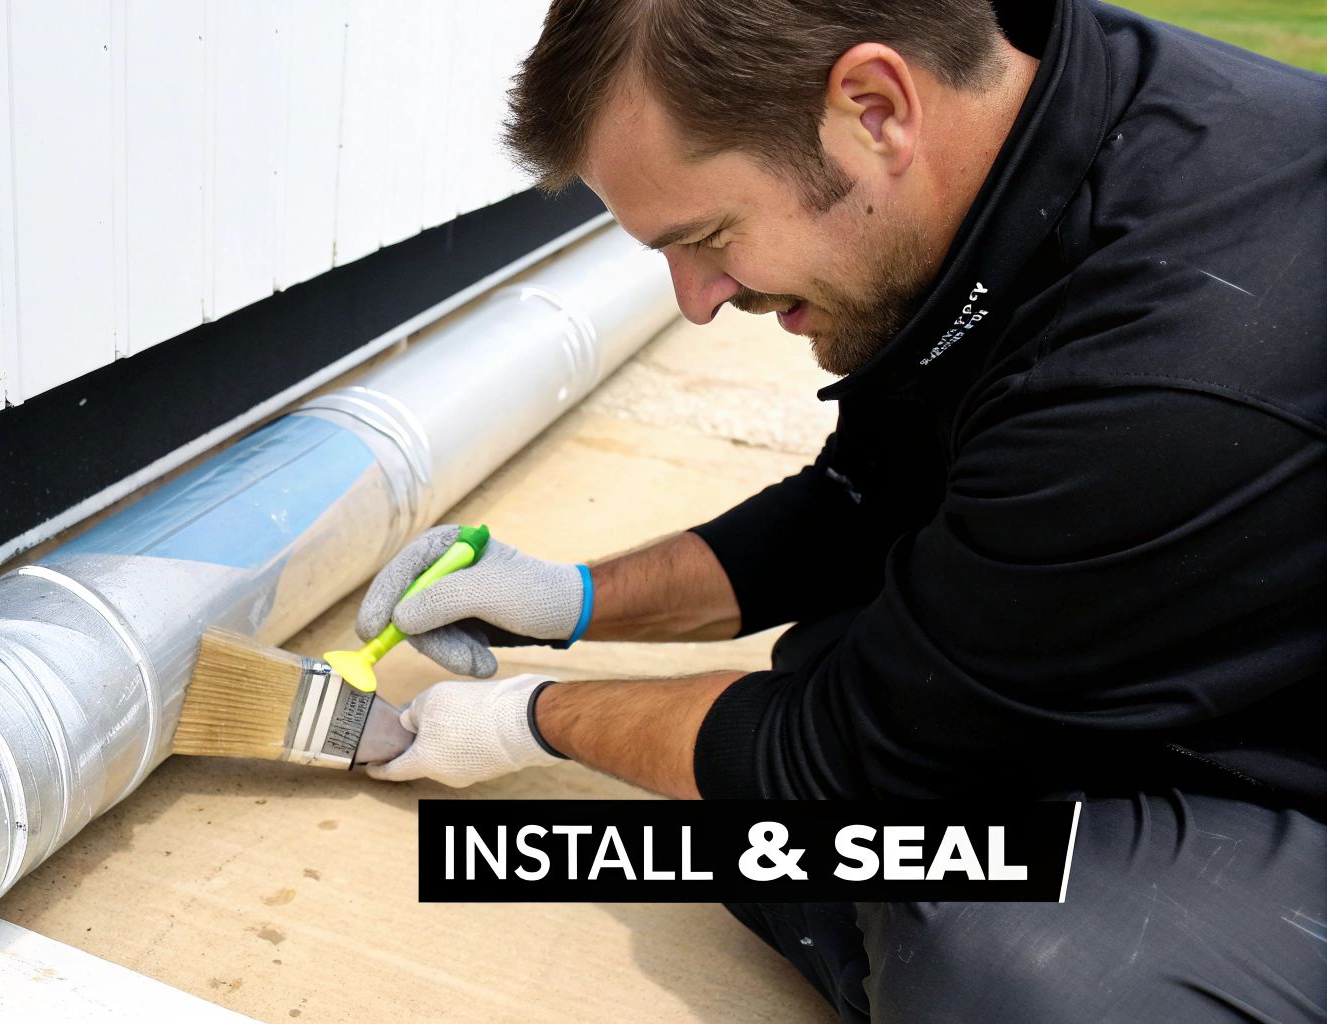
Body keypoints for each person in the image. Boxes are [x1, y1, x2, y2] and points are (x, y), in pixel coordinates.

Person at [356, 0, 1327, 1019]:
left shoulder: (1162, 375)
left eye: (709, 236)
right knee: (835, 689)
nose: (694, 300)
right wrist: (570, 598)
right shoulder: (1018, 136)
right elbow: (860, 503)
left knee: (992, 956)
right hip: (1216, 607)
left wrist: (530, 719)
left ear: (874, 109)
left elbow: (838, 758)